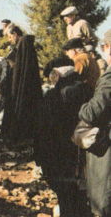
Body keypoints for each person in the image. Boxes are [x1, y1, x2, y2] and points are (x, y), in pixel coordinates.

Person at [34, 66, 91, 217]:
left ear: (58, 77)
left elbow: (42, 130)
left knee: (66, 199)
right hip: (83, 160)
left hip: (57, 160)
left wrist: (39, 157)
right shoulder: (89, 92)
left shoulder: (52, 96)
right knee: (82, 200)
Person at [78, 29, 111, 217]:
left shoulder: (109, 77)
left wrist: (82, 107)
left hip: (107, 148)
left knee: (104, 200)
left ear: (108, 48)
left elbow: (93, 112)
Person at [1, 24, 43, 144]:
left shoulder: (24, 43)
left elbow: (22, 67)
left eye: (10, 37)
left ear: (15, 34)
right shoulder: (23, 44)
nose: (9, 40)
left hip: (23, 86)